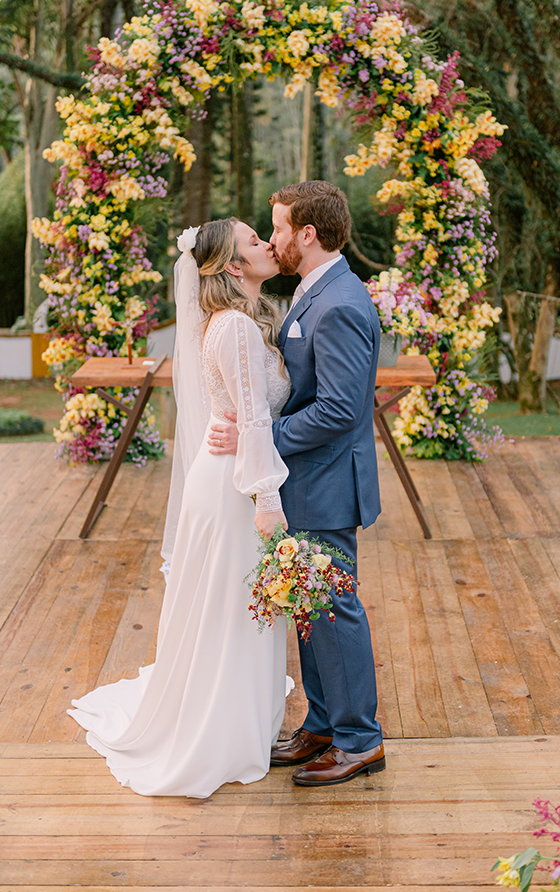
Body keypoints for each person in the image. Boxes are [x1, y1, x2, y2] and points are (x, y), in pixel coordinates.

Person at [67, 217, 291, 798]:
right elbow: (255, 415)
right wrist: (268, 499)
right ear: (233, 267)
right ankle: (223, 729)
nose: (266, 243)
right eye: (252, 241)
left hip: (224, 474)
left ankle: (236, 713)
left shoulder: (234, 321)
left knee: (234, 603)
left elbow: (244, 417)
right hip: (237, 488)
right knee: (236, 604)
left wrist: (244, 441)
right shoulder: (236, 327)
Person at [209, 180, 385, 787]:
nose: (273, 238)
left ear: (307, 234)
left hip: (329, 481)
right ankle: (323, 724)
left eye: (279, 228)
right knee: (309, 605)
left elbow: (339, 409)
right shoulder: (315, 292)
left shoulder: (339, 302)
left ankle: (360, 740)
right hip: (306, 480)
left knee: (334, 607)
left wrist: (264, 438)